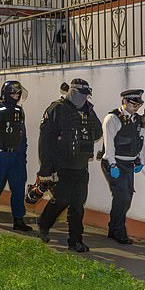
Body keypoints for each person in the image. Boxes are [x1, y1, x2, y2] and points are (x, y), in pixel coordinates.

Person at [36, 79, 103, 252]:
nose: (84, 99)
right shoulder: (57, 109)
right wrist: (46, 169)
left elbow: (97, 133)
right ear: (73, 93)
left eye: (86, 96)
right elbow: (45, 142)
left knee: (78, 205)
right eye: (82, 95)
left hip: (81, 166)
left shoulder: (88, 110)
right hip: (62, 165)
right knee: (61, 200)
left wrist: (88, 119)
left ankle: (75, 240)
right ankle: (43, 224)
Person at [0, 80, 32, 231]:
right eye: (13, 93)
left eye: (18, 93)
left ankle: (18, 219)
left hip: (16, 155)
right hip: (0, 154)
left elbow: (22, 134)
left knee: (18, 187)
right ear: (6, 93)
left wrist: (23, 153)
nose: (16, 96)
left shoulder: (19, 111)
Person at [100, 89, 145, 245]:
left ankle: (114, 228)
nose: (137, 108)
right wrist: (112, 164)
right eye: (134, 104)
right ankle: (118, 231)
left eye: (139, 104)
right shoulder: (112, 118)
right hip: (114, 162)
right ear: (124, 102)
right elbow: (109, 145)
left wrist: (141, 160)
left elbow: (141, 140)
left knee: (127, 198)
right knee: (122, 196)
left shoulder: (138, 119)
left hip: (129, 163)